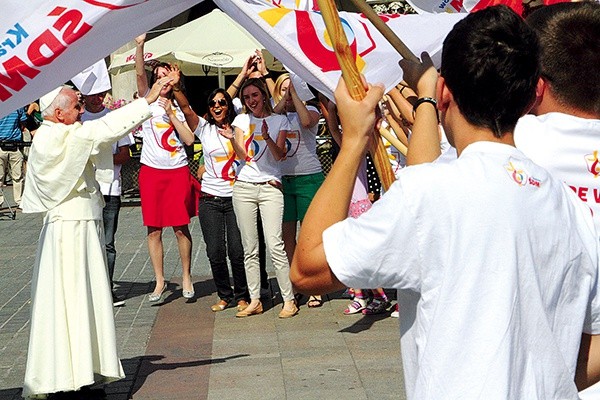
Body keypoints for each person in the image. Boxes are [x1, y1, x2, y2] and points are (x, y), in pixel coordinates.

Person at [291, 6, 600, 399]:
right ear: (529, 97)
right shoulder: (567, 205)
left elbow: (307, 269)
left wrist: (353, 140)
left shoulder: (433, 194)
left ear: (444, 93)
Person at [20, 77, 171, 399]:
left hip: (83, 226)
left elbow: (98, 132)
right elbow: (102, 130)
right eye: (76, 106)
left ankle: (84, 371)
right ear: (58, 113)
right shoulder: (51, 137)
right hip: (68, 231)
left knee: (85, 301)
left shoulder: (65, 131)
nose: (81, 110)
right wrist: (148, 100)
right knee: (69, 301)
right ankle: (65, 376)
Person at [172, 85, 250, 313]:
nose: (217, 107)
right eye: (213, 103)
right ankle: (224, 295)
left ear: (228, 106)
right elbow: (186, 109)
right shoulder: (204, 129)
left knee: (236, 250)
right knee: (215, 251)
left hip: (236, 197)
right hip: (210, 198)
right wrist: (176, 87)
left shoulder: (239, 128)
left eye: (222, 103)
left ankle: (242, 295)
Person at [135, 33, 197, 302]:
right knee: (154, 229)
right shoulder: (145, 102)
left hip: (177, 170)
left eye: (166, 77)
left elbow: (189, 139)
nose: (162, 81)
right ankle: (160, 281)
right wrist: (140, 47)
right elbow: (139, 75)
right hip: (151, 171)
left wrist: (172, 112)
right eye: (158, 77)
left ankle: (186, 275)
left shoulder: (179, 107)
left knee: (181, 226)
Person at [230, 77, 298, 318]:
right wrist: (232, 138)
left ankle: (289, 300)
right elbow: (241, 154)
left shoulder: (280, 120)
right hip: (244, 187)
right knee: (249, 247)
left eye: (255, 96)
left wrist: (267, 137)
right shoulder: (240, 120)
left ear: (263, 96)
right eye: (247, 98)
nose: (251, 101)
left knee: (275, 244)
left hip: (270, 187)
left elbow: (280, 156)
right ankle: (255, 299)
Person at [273, 73, 325, 308]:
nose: (288, 92)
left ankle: (315, 286)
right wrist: (284, 98)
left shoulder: (312, 109)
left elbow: (306, 122)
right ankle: (296, 282)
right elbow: (272, 115)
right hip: (285, 179)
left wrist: (296, 95)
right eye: (283, 88)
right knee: (287, 237)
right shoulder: (278, 115)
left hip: (308, 177)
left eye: (291, 87)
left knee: (309, 235)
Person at [81, 89, 132, 308]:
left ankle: (107, 290)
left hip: (111, 189)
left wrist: (99, 157)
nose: (97, 98)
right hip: (85, 192)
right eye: (92, 95)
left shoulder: (114, 119)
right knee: (85, 242)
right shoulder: (78, 121)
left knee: (108, 243)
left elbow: (124, 154)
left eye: (100, 94)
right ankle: (86, 292)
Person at [0, 108, 26, 208]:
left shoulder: (18, 107)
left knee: (18, 175)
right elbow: (23, 124)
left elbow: (22, 123)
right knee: (1, 176)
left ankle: (19, 201)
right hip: (2, 145)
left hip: (15, 145)